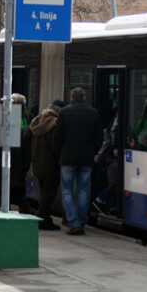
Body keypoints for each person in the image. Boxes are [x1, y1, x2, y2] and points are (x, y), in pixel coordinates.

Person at [54, 87, 102, 235]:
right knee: (83, 191)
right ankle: (81, 222)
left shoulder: (65, 112)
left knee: (67, 190)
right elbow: (99, 138)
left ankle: (73, 222)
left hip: (67, 158)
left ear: (72, 98)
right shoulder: (93, 113)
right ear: (85, 97)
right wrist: (92, 151)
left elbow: (57, 136)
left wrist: (60, 152)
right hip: (86, 159)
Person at [0, 94, 34, 214]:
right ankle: (31, 218)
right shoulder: (23, 129)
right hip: (16, 171)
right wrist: (25, 167)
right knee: (20, 198)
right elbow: (27, 151)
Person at [24, 99, 65, 230]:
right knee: (49, 194)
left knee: (43, 193)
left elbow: (26, 137)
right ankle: (41, 217)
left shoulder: (36, 120)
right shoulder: (55, 123)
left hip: (37, 163)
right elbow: (56, 144)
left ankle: (45, 218)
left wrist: (32, 152)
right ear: (59, 111)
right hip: (51, 164)